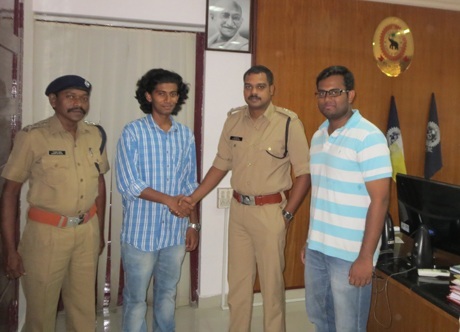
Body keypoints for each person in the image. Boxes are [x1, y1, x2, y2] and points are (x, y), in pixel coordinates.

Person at [184, 65, 311, 332]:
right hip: (239, 211)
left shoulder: (289, 123)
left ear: (271, 89)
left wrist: (287, 214)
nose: (254, 92)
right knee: (238, 286)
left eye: (260, 86)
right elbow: (220, 164)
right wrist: (193, 198)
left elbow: (304, 174)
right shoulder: (233, 120)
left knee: (272, 288)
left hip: (271, 212)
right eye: (248, 86)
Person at [0, 75, 109, 331]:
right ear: (53, 100)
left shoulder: (94, 134)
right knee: (41, 314)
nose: (78, 103)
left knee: (84, 311)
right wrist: (10, 250)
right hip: (46, 235)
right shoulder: (33, 137)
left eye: (83, 98)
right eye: (71, 96)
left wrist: (100, 232)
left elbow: (100, 185)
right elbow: (9, 192)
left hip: (86, 232)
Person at [301, 65, 392, 332]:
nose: (327, 98)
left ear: (351, 95)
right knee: (321, 321)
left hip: (350, 255)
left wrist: (365, 257)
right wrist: (310, 240)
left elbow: (381, 200)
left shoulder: (369, 136)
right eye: (321, 93)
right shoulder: (318, 136)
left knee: (348, 327)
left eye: (335, 92)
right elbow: (321, 196)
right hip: (318, 250)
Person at [115, 68, 199, 332]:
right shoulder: (133, 133)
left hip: (175, 232)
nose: (168, 99)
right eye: (161, 93)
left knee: (167, 295)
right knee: (136, 300)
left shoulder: (185, 135)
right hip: (141, 233)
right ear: (149, 96)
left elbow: (190, 185)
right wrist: (168, 200)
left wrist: (192, 225)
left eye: (173, 94)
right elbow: (128, 183)